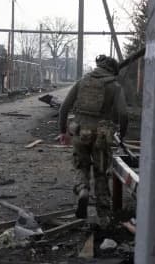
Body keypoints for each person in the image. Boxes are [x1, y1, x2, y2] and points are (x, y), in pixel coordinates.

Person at [58, 54, 128, 219]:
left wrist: (63, 131)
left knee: (81, 166)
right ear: (112, 70)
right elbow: (123, 115)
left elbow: (64, 108)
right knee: (101, 172)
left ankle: (83, 190)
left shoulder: (82, 82)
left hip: (80, 133)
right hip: (102, 136)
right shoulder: (115, 86)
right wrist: (122, 136)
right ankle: (103, 216)